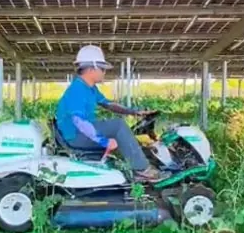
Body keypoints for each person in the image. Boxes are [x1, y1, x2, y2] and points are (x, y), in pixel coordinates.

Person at [56, 45, 167, 183]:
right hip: (75, 136)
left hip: (80, 132)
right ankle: (142, 170)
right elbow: (79, 121)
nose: (104, 72)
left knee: (120, 129)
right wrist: (104, 141)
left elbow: (108, 104)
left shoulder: (89, 87)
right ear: (91, 69)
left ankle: (135, 163)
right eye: (102, 69)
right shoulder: (77, 90)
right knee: (118, 125)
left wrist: (134, 112)